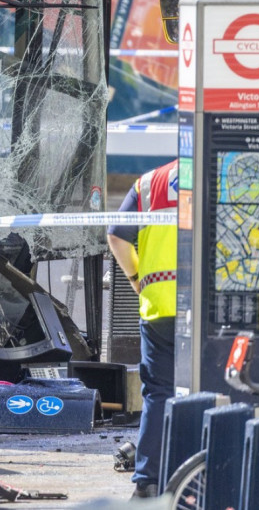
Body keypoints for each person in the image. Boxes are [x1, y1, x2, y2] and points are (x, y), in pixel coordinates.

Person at [107, 159, 178, 499]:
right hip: (209, 308)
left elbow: (116, 237)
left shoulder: (150, 183)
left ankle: (148, 481)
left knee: (159, 392)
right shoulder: (224, 174)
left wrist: (137, 277)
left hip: (159, 305)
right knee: (214, 390)